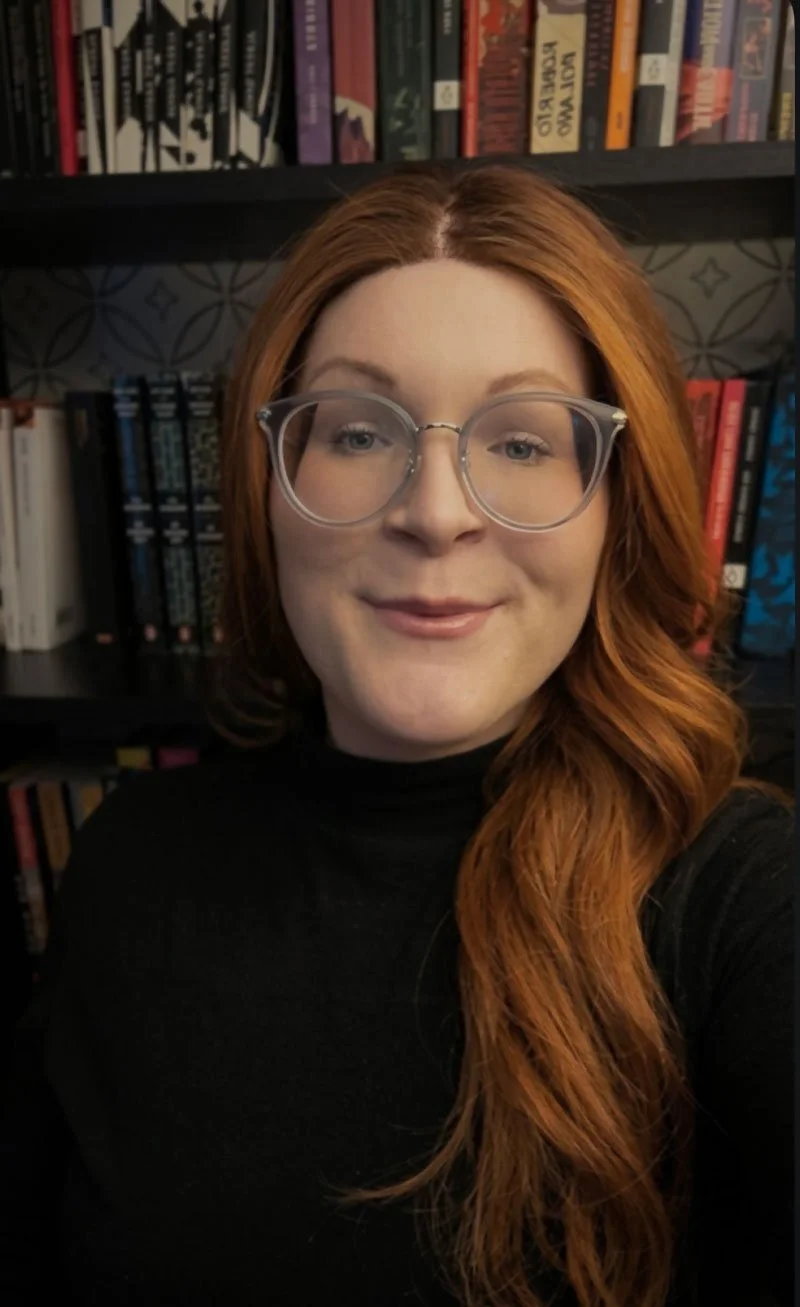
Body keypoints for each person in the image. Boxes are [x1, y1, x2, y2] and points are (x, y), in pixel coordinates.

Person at [0, 165, 793, 1307]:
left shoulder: (739, 899)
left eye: (522, 442)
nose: (433, 509)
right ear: (266, 485)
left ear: (615, 511)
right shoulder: (129, 862)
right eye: (359, 430)